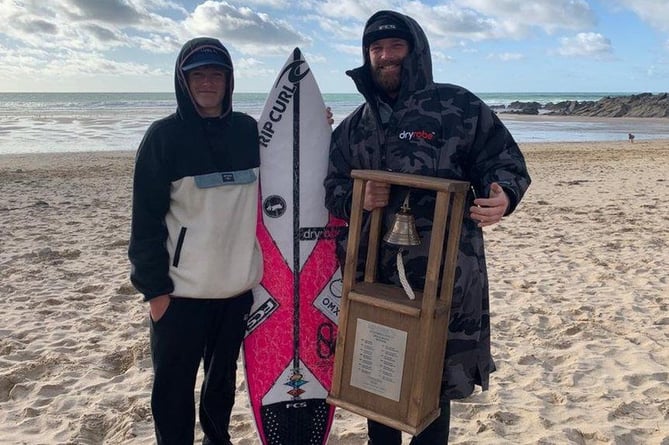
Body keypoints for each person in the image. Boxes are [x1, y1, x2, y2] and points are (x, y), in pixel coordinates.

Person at [324, 10, 531, 445]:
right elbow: (333, 184)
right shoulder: (355, 126)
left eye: (395, 46)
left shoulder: (458, 107)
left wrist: (505, 196)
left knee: (433, 383)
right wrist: (357, 198)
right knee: (376, 378)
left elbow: (504, 161)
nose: (385, 56)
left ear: (415, 51)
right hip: (373, 273)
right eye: (376, 48)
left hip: (445, 273)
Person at [128, 37, 262, 444]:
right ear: (183, 81)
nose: (207, 82)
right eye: (197, 74)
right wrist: (155, 292)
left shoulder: (248, 131)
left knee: (220, 388)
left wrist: (316, 125)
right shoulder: (163, 137)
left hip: (236, 291)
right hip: (180, 294)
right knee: (172, 391)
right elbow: (145, 221)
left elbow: (292, 166)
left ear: (228, 80)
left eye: (215, 74)